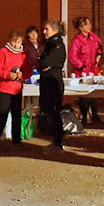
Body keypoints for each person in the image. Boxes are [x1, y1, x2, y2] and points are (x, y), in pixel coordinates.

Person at [0, 29, 30, 145]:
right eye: (14, 42)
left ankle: (17, 141)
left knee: (17, 116)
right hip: (3, 89)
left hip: (16, 89)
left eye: (18, 42)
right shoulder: (3, 52)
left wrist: (23, 76)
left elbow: (28, 71)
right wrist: (7, 75)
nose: (16, 45)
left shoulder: (23, 55)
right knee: (3, 115)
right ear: (10, 41)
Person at [38, 18, 68, 152]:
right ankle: (56, 141)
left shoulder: (57, 45)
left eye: (47, 29)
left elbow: (44, 63)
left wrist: (43, 64)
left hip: (53, 83)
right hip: (49, 81)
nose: (44, 32)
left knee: (54, 113)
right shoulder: (50, 44)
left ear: (55, 31)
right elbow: (42, 64)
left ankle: (58, 143)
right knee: (50, 111)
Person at [68, 16, 103, 124]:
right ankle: (84, 117)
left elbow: (100, 46)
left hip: (93, 69)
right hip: (82, 71)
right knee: (84, 95)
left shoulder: (93, 37)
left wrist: (98, 55)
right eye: (86, 24)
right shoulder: (77, 40)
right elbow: (72, 56)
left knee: (95, 94)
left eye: (89, 24)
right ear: (80, 27)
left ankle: (95, 115)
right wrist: (81, 66)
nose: (89, 26)